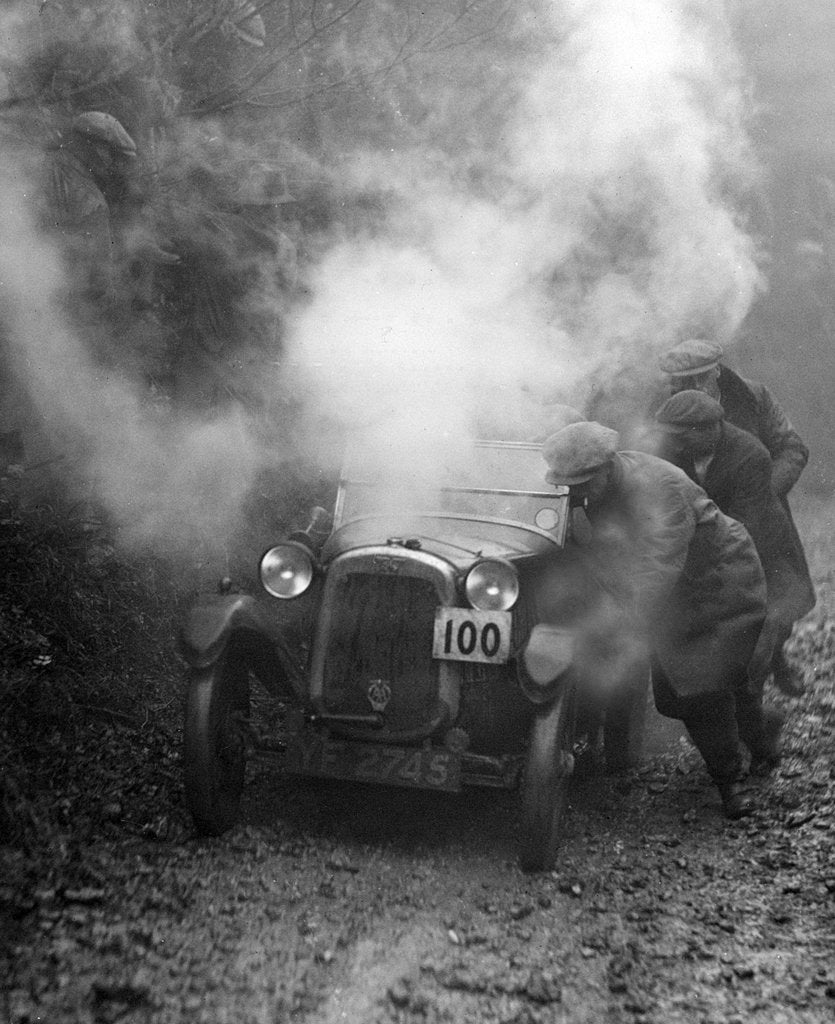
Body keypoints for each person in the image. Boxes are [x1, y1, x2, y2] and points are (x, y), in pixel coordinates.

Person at [541, 421, 777, 819]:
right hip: (672, 586)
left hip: (715, 581)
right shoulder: (595, 488)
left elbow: (657, 563)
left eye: (581, 483)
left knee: (698, 685)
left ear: (607, 465)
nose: (574, 492)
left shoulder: (657, 489)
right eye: (568, 484)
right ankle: (761, 735)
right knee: (682, 692)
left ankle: (731, 783)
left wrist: (623, 621)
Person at [658, 338, 815, 695]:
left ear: (716, 373)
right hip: (697, 518)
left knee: (775, 598)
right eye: (680, 383)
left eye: (697, 380)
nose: (688, 390)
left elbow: (792, 447)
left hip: (759, 512)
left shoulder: (753, 396)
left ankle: (776, 661)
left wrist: (761, 490)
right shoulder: (665, 409)